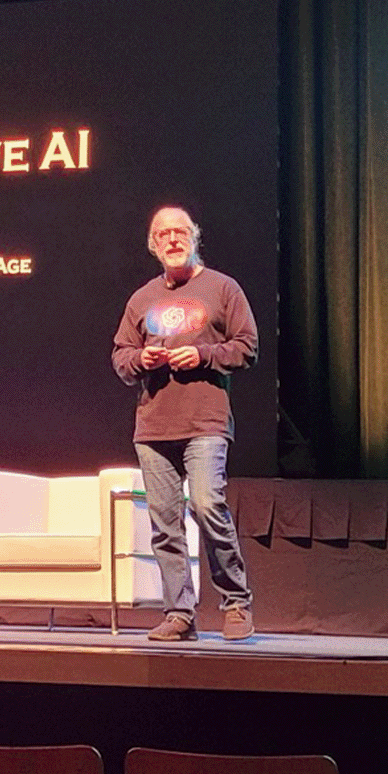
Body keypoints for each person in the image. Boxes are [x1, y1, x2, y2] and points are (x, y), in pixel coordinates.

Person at [111, 205, 258, 641]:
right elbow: (120, 356)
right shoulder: (141, 299)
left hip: (205, 420)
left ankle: (236, 603)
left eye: (180, 231)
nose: (172, 239)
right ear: (153, 246)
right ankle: (179, 614)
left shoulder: (223, 288)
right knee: (165, 522)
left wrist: (204, 355)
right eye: (163, 234)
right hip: (154, 426)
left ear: (194, 237)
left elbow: (248, 347)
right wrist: (142, 358)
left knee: (208, 504)